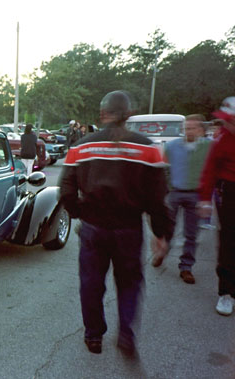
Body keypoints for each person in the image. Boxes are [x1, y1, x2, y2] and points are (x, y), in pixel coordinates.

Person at [60, 90, 173, 357]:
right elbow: (158, 198)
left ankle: (94, 335)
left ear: (103, 114)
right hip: (129, 229)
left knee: (91, 283)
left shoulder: (81, 147)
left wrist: (80, 213)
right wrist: (161, 233)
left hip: (93, 228)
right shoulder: (148, 148)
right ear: (129, 115)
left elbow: (65, 191)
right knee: (129, 283)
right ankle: (126, 335)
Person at [155, 115, 211, 284]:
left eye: (192, 128)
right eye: (186, 128)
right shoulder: (172, 146)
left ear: (201, 130)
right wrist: (165, 189)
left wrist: (207, 199)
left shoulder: (208, 147)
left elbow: (213, 170)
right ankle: (162, 252)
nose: (188, 131)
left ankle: (186, 267)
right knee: (167, 227)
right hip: (175, 192)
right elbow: (162, 167)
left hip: (196, 194)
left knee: (191, 233)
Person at [198, 96, 235, 316]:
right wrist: (204, 199)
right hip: (228, 190)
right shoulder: (222, 138)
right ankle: (226, 292)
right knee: (229, 241)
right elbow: (210, 169)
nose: (225, 124)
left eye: (229, 120)